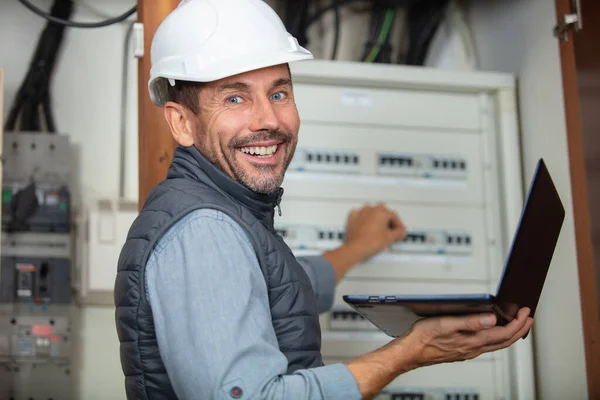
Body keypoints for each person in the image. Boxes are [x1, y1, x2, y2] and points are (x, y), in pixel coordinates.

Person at [114, 0, 534, 399]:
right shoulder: (205, 229)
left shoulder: (226, 213)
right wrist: (410, 351)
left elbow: (283, 287)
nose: (269, 120)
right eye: (235, 98)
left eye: (278, 93)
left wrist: (356, 248)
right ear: (182, 123)